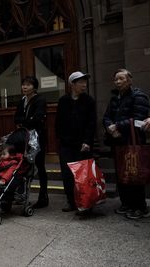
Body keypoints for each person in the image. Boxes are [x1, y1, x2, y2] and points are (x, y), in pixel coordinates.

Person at [103, 68, 150, 219]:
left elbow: (139, 119)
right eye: (116, 79)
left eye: (121, 79)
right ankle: (126, 203)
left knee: (134, 174)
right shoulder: (114, 98)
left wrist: (117, 126)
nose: (118, 82)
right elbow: (106, 117)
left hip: (133, 142)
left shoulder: (139, 96)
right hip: (117, 142)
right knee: (121, 174)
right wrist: (110, 128)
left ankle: (140, 207)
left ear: (129, 80)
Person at [55, 71, 96, 213]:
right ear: (72, 84)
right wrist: (60, 139)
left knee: (83, 174)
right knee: (67, 174)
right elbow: (58, 122)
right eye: (80, 82)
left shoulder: (89, 101)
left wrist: (87, 141)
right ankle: (71, 201)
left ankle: (86, 202)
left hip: (82, 145)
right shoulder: (63, 101)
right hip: (66, 144)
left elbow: (91, 123)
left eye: (85, 82)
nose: (84, 85)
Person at [14, 76, 48, 209]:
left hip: (37, 139)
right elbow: (16, 118)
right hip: (24, 138)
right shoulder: (22, 100)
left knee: (39, 166)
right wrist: (25, 121)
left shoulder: (40, 100)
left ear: (34, 87)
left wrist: (24, 122)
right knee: (22, 166)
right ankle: (21, 194)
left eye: (28, 85)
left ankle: (43, 196)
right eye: (23, 84)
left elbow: (38, 118)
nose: (24, 87)